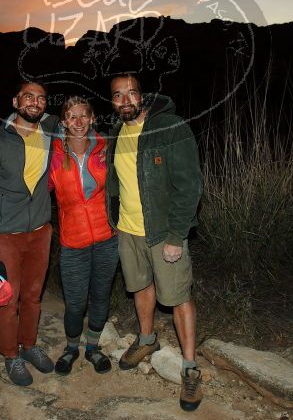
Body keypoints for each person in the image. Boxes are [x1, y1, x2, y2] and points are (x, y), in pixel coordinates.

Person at [105, 73, 204, 412]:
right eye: (118, 95)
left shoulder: (170, 127)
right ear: (113, 102)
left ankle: (190, 367)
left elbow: (189, 185)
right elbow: (116, 183)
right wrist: (114, 220)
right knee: (140, 287)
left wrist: (177, 236)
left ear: (142, 96)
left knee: (177, 297)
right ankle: (147, 340)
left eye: (131, 93)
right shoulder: (117, 133)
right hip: (128, 231)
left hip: (163, 233)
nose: (126, 100)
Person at [0, 81, 58, 387]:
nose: (35, 102)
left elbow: (77, 120)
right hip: (6, 233)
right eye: (28, 96)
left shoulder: (50, 133)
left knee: (33, 296)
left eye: (41, 98)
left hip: (40, 231)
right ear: (15, 100)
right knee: (7, 299)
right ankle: (11, 355)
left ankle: (30, 345)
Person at [47, 96, 119, 376]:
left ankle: (93, 348)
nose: (78, 122)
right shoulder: (53, 154)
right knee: (75, 303)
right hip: (72, 242)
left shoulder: (106, 148)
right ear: (63, 121)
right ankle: (70, 348)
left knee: (101, 297)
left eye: (83, 116)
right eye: (71, 117)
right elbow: (38, 191)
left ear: (92, 118)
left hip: (106, 238)